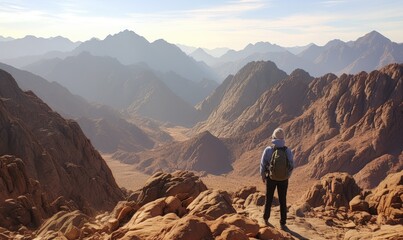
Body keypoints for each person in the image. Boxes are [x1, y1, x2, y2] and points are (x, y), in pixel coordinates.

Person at [260, 127, 294, 226]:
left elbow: (263, 164)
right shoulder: (287, 151)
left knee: (269, 198)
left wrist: (263, 176)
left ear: (273, 137)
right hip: (284, 179)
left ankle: (266, 219)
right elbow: (291, 165)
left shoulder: (268, 150)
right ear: (283, 138)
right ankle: (283, 222)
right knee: (283, 200)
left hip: (271, 178)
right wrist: (287, 175)